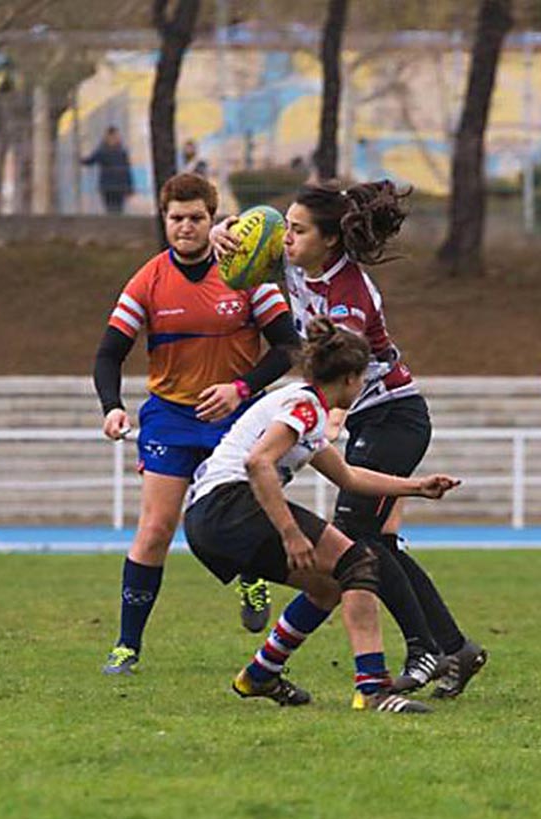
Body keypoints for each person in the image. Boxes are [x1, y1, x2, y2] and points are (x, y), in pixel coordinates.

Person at [212, 180, 487, 699]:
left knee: (354, 542)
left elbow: (343, 372)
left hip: (393, 416)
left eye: (298, 230)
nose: (286, 239)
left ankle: (426, 647)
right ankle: (454, 647)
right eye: (286, 229)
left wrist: (327, 423)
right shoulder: (297, 262)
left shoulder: (348, 299)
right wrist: (227, 231)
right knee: (376, 545)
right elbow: (248, 239)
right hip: (366, 420)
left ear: (329, 241)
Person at [184, 318, 462, 714]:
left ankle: (260, 674)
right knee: (360, 562)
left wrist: (417, 487)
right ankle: (372, 689)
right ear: (350, 378)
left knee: (329, 586)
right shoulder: (306, 407)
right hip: (229, 505)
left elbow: (347, 476)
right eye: (363, 377)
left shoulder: (303, 406)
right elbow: (258, 463)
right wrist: (290, 534)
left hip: (205, 520)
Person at [95, 172, 301, 676]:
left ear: (213, 221)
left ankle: (251, 574)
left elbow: (289, 347)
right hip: (169, 416)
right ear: (164, 221)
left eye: (196, 218)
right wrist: (111, 406)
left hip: (235, 417)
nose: (185, 227)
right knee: (156, 528)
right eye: (176, 218)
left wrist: (241, 388)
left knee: (232, 526)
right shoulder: (148, 279)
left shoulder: (245, 274)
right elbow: (108, 354)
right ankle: (127, 646)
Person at [82, 126, 134, 215]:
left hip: (119, 186)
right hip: (107, 186)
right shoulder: (103, 151)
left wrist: (129, 187)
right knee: (110, 209)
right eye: (112, 137)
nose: (114, 139)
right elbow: (90, 161)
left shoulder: (121, 152)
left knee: (118, 209)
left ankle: (117, 224)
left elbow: (127, 170)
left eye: (115, 137)